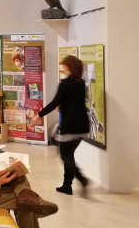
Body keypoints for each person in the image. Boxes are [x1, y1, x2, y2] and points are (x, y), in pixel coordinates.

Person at [31, 55, 90, 196]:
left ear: (68, 67)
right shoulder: (80, 82)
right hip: (82, 125)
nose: (62, 69)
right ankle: (67, 186)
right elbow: (73, 102)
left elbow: (55, 102)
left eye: (64, 66)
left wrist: (38, 115)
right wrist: (62, 106)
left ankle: (81, 179)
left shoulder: (66, 83)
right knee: (69, 154)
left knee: (65, 156)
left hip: (70, 124)